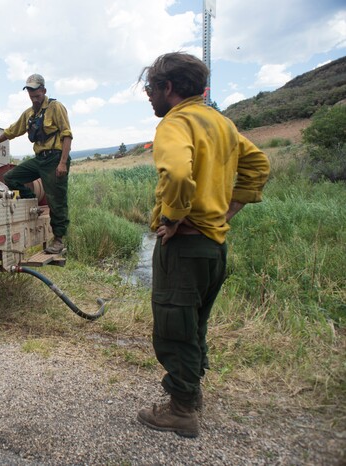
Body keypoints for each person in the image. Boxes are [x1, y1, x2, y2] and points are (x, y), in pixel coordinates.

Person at [137, 52, 270, 438]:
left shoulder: (175, 123)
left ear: (169, 88)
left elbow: (177, 172)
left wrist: (174, 217)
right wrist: (227, 212)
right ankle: (190, 394)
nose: (148, 95)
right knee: (194, 323)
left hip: (186, 247)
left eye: (151, 88)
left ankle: (181, 411)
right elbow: (258, 165)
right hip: (214, 245)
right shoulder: (221, 122)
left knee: (174, 326)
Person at [0, 74, 73, 254]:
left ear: (44, 91)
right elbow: (12, 131)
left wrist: (62, 163)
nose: (34, 98)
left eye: (37, 95)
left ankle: (59, 240)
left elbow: (67, 134)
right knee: (11, 177)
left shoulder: (56, 107)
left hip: (55, 158)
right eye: (31, 95)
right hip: (40, 159)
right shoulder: (29, 114)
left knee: (56, 200)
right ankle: (34, 204)